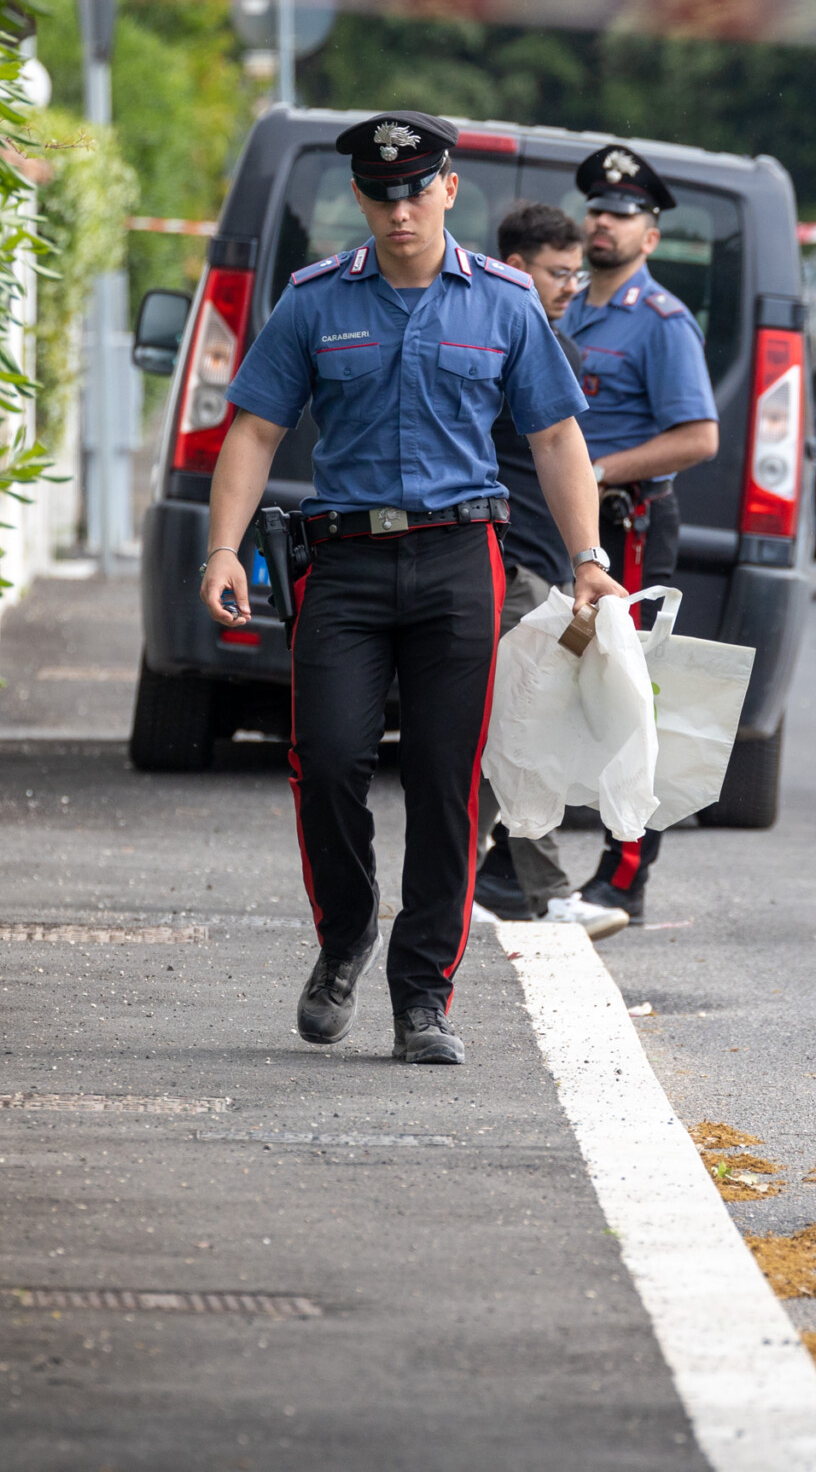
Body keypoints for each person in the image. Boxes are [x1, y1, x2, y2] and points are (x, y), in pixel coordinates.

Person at [198, 113, 625, 1065]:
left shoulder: (507, 303)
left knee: (445, 781)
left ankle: (423, 993)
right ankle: (345, 933)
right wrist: (222, 549)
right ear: (360, 198)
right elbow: (256, 431)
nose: (399, 210)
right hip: (343, 565)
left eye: (415, 190)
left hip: (457, 561)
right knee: (329, 759)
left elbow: (558, 438)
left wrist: (588, 555)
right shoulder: (313, 302)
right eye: (380, 193)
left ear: (447, 190)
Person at [559, 142, 720, 921]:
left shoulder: (662, 322)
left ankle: (625, 875)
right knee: (564, 686)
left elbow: (699, 437)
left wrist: (604, 469)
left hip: (632, 525)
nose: (604, 222)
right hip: (576, 528)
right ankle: (521, 859)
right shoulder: (571, 308)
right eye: (596, 209)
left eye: (622, 214)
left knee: (634, 699)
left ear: (650, 236)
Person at [469, 202, 633, 940]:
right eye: (556, 272)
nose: (570, 285)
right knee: (519, 728)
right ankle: (545, 891)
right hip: (513, 566)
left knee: (508, 728)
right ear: (514, 267)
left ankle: (457, 878)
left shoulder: (531, 337)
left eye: (576, 272)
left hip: (543, 565)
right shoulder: (508, 338)